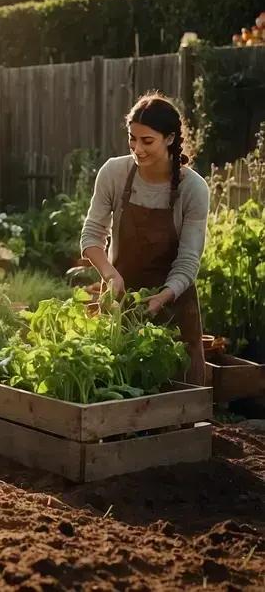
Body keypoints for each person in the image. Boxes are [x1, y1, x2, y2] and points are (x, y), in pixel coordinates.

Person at [80, 93, 209, 385]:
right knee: (117, 392)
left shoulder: (193, 188)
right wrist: (110, 274)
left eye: (147, 141)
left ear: (170, 139)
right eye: (132, 139)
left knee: (177, 399)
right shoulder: (114, 173)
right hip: (121, 303)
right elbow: (91, 236)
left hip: (174, 306)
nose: (137, 149)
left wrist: (164, 296)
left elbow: (189, 259)